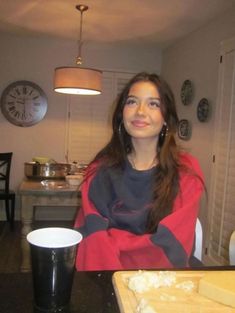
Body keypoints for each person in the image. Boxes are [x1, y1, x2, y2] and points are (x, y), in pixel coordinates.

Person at [74, 72, 204, 271]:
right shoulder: (99, 171)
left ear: (166, 118)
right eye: (132, 102)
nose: (140, 111)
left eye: (153, 104)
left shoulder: (185, 172)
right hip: (105, 274)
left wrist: (115, 241)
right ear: (121, 114)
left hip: (166, 279)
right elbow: (93, 239)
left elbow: (172, 243)